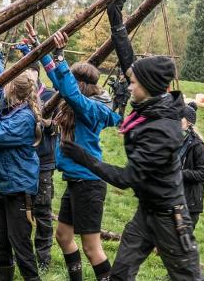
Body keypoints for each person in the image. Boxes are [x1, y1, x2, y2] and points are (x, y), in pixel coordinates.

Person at [60, 0, 204, 280]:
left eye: (133, 83)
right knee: (120, 276)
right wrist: (116, 19)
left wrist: (83, 157)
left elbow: (126, 179)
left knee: (188, 277)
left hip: (170, 218)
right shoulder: (150, 99)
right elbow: (129, 62)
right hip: (145, 213)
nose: (128, 85)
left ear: (148, 87)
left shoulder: (162, 130)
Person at [38, 28, 121, 281]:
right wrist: (41, 50)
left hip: (89, 185)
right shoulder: (79, 102)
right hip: (76, 182)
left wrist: (61, 57)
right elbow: (60, 81)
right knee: (63, 237)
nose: (65, 87)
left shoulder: (89, 109)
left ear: (78, 84)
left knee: (92, 248)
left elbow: (68, 90)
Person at [0, 56, 43, 281]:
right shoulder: (11, 108)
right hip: (5, 187)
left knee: (21, 247)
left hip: (19, 190)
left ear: (12, 91)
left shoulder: (24, 118)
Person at [13, 25, 59, 273]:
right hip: (20, 160)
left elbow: (58, 126)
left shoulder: (50, 95)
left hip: (43, 161)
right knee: (19, 207)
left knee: (42, 209)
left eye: (29, 74)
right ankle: (20, 252)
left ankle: (43, 257)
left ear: (36, 74)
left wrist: (44, 123)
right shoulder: (15, 94)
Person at [179, 102, 204, 230]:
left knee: (180, 245)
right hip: (171, 198)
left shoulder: (197, 145)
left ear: (189, 123)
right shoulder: (174, 141)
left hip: (189, 203)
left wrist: (180, 174)